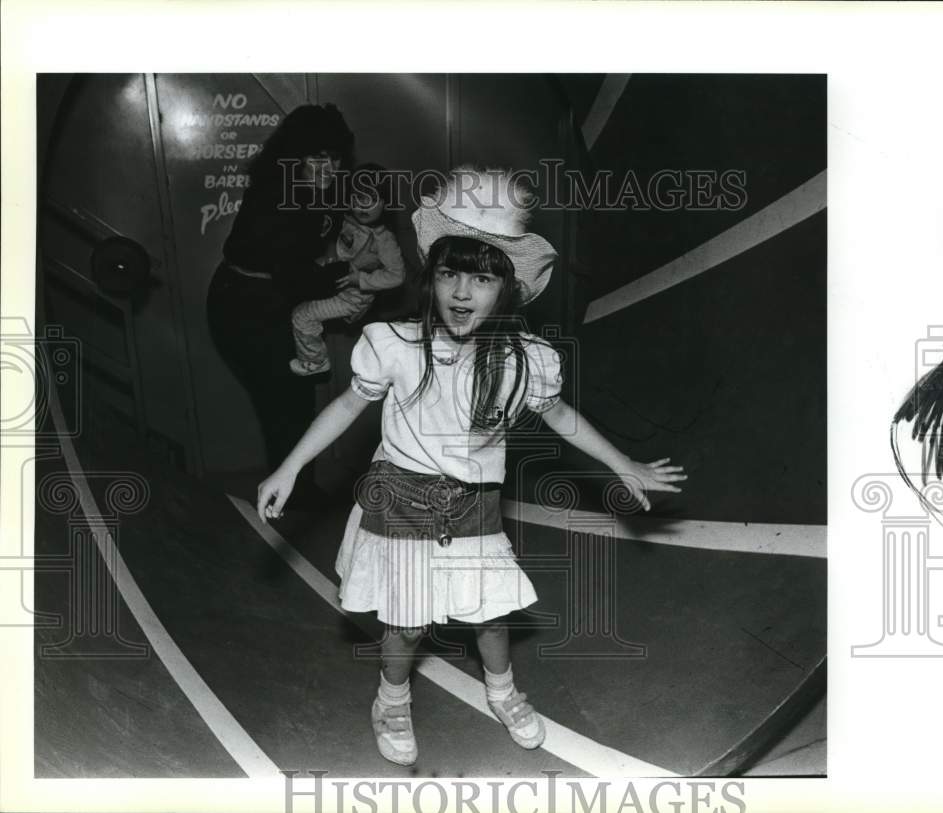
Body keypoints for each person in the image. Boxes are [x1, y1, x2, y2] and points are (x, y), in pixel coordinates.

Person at [256, 167, 687, 766]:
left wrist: (623, 464)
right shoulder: (395, 345)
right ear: (430, 278)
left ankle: (504, 692)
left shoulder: (524, 360)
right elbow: (349, 403)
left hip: (475, 506)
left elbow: (561, 417)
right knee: (404, 626)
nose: (462, 292)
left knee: (490, 615)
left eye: (481, 279)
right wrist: (290, 468)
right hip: (401, 500)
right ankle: (392, 699)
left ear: (506, 289)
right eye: (450, 274)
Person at [206, 103, 355, 474]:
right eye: (318, 158)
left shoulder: (312, 190)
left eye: (335, 158)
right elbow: (296, 276)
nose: (329, 168)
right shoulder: (275, 197)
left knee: (294, 399)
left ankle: (296, 491)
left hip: (268, 301)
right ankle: (293, 493)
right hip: (243, 306)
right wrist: (353, 274)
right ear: (295, 157)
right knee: (285, 401)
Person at [289, 163, 407, 376]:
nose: (362, 206)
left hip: (352, 298)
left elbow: (397, 275)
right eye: (356, 199)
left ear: (385, 203)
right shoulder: (345, 219)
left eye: (370, 200)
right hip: (333, 284)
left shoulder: (384, 239)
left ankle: (315, 361)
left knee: (302, 316)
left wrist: (361, 280)